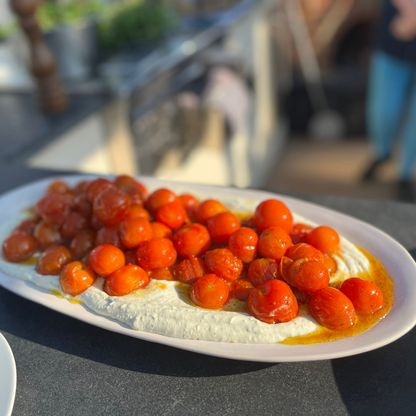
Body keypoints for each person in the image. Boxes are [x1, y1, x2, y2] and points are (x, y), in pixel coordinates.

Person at [364, 0, 416, 201]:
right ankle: (382, 152)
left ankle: (405, 174)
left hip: (406, 24)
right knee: (383, 112)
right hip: (394, 39)